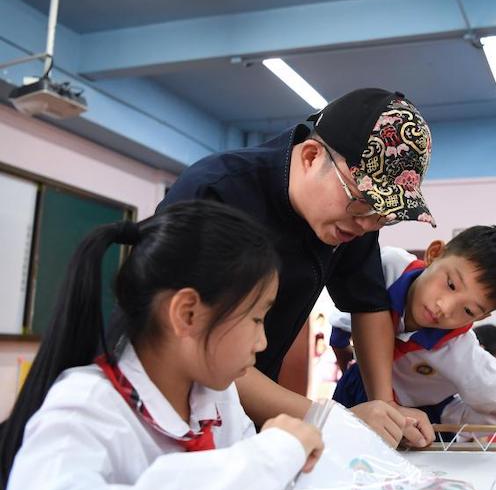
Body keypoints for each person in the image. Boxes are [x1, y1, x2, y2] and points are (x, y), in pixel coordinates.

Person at [0, 201, 324, 490]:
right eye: (256, 318)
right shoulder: (86, 406)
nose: (262, 342)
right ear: (187, 313)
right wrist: (265, 457)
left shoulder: (217, 395)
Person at [160, 88, 436, 447]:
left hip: (244, 414)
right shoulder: (217, 194)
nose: (369, 224)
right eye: (363, 203)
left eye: (385, 216)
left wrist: (385, 411)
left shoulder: (354, 220)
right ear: (310, 156)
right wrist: (332, 419)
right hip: (167, 409)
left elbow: (367, 304)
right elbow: (195, 348)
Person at [329, 226, 496, 425]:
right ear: (434, 253)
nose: (445, 308)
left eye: (468, 311)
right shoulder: (389, 267)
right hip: (354, 388)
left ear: (481, 318)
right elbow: (348, 307)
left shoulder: (460, 351)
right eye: (451, 285)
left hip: (409, 420)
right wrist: (342, 351)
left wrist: (449, 415)